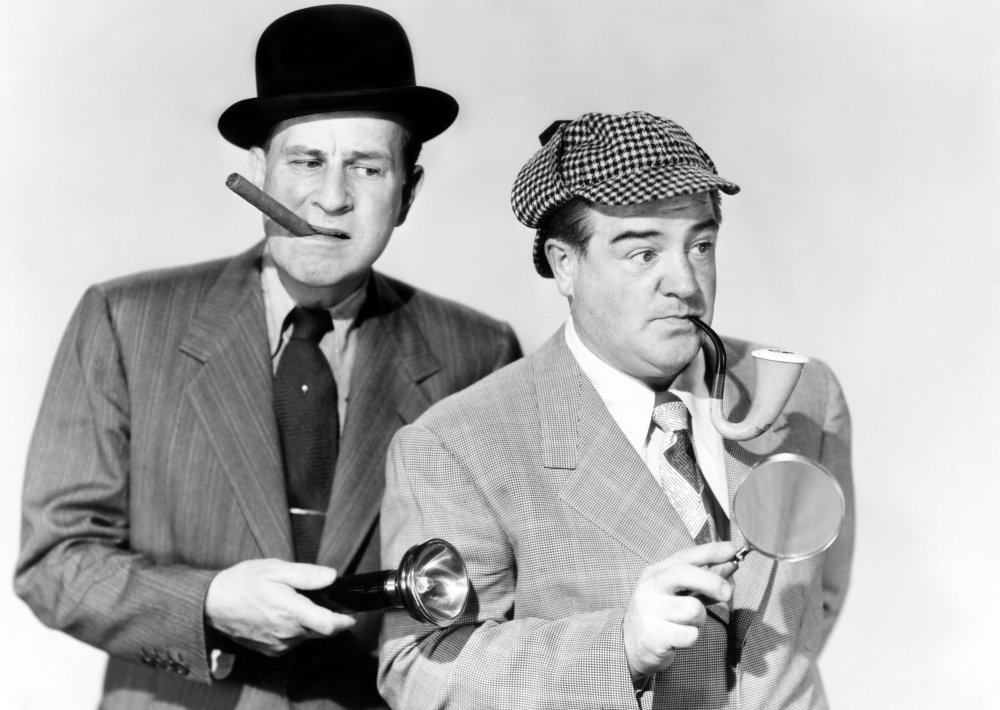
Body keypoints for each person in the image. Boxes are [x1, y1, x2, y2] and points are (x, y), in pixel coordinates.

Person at [14, 5, 521, 709]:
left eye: (367, 167)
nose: (331, 198)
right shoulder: (124, 321)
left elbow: (496, 590)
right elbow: (54, 563)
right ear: (258, 173)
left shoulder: (479, 353)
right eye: (306, 161)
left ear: (408, 192)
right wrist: (208, 604)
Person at [378, 111, 854, 708]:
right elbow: (419, 673)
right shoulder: (457, 445)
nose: (685, 283)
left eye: (701, 245)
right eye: (643, 253)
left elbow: (816, 603)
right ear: (565, 265)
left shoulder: (806, 396)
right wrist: (620, 648)